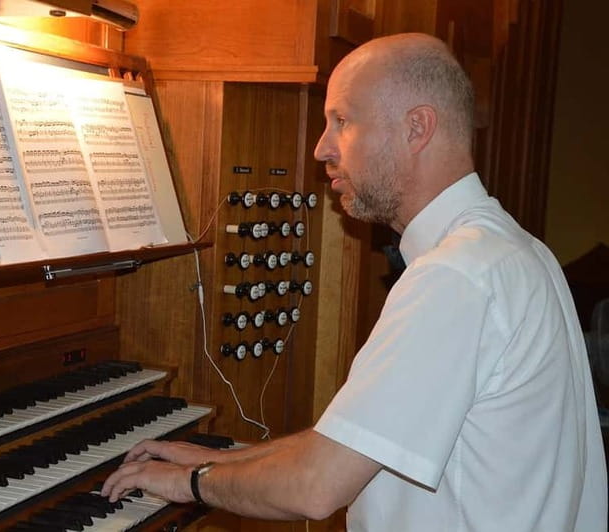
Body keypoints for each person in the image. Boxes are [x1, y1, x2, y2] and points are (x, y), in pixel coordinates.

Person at [101, 32, 608, 530]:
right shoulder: (514, 251)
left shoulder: (455, 277)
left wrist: (189, 484)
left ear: (417, 128)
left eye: (342, 120)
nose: (321, 149)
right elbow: (351, 445)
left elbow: (316, 487)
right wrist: (225, 460)